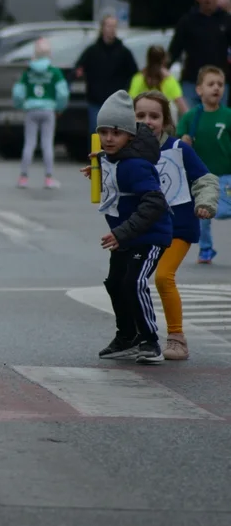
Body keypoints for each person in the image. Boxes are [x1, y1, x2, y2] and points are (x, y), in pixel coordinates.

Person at [132, 92, 218, 360]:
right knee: (130, 281)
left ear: (166, 121)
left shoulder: (180, 149)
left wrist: (205, 203)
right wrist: (97, 171)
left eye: (154, 116)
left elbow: (205, 179)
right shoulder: (129, 152)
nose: (148, 121)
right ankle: (139, 336)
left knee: (163, 277)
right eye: (141, 116)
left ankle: (177, 338)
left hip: (178, 228)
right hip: (146, 228)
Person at [92, 90, 173, 363]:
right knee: (115, 282)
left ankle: (150, 341)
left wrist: (122, 233)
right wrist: (97, 167)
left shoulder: (136, 165)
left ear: (129, 135)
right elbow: (116, 177)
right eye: (103, 132)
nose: (109, 138)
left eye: (115, 132)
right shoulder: (114, 158)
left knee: (134, 281)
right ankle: (126, 336)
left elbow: (154, 203)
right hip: (125, 236)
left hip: (149, 235)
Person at [177, 65, 231, 264]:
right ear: (199, 90)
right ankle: (206, 249)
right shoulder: (192, 117)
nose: (216, 88)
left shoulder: (227, 116)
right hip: (202, 177)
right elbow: (180, 139)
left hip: (226, 175)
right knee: (204, 214)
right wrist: (185, 140)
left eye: (220, 84)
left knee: (225, 209)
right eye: (211, 84)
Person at [12, 37, 68, 189]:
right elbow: (62, 93)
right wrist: (59, 107)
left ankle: (23, 177)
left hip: (31, 109)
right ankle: (49, 178)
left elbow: (18, 92)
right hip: (48, 109)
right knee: (47, 143)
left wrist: (20, 105)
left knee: (29, 143)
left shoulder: (28, 72)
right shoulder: (54, 72)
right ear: (49, 54)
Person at [168, 0, 231, 108]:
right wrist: (162, 68)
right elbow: (174, 50)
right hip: (192, 81)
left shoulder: (226, 20)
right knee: (190, 121)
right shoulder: (187, 21)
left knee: (217, 122)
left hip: (219, 82)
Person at [74, 15, 138, 133]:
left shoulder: (124, 52)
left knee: (116, 132)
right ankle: (96, 152)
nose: (111, 29)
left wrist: (127, 91)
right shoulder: (92, 51)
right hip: (96, 100)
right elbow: (79, 67)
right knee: (96, 131)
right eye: (109, 26)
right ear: (102, 28)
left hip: (117, 101)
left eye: (114, 26)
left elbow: (134, 74)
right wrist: (79, 72)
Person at [127, 45, 187, 117]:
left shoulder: (138, 78)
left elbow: (130, 102)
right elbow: (182, 107)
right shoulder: (169, 80)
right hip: (163, 124)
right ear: (164, 60)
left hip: (141, 123)